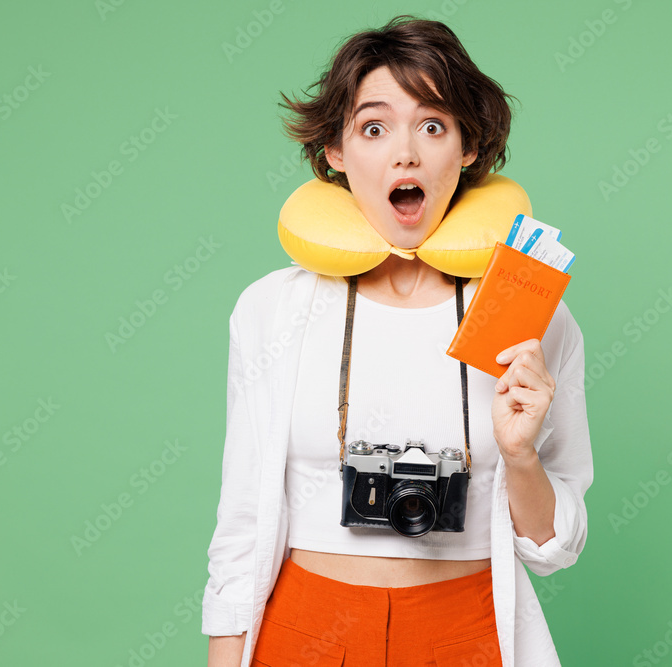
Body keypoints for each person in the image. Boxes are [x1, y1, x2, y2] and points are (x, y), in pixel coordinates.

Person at [203, 15, 593, 667]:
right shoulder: (272, 309)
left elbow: (556, 545)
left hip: (468, 627)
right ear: (335, 149)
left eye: (433, 125)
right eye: (374, 127)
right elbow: (241, 523)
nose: (404, 154)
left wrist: (521, 456)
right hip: (305, 628)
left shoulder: (532, 316)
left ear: (468, 147)